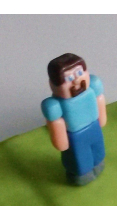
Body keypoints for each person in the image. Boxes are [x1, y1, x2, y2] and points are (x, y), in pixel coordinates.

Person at [41, 53, 107, 185]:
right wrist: (61, 140)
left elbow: (99, 100)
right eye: (69, 78)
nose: (76, 81)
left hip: (93, 126)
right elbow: (56, 123)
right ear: (54, 84)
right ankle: (81, 174)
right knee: (79, 156)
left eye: (79, 73)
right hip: (75, 135)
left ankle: (98, 163)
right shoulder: (57, 105)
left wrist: (102, 117)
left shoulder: (92, 89)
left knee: (98, 148)